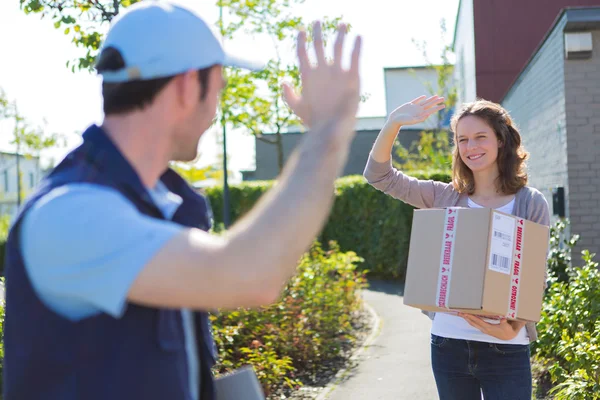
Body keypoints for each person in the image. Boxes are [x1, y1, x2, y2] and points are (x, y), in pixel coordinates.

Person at [2, 2, 362, 400]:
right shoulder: (71, 215)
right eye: (219, 89)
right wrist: (329, 129)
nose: (215, 110)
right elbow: (252, 274)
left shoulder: (153, 205)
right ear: (189, 86)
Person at [364, 96, 550, 400]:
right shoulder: (444, 196)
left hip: (506, 347)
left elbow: (534, 277)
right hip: (449, 345)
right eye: (462, 140)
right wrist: (393, 123)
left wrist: (512, 327)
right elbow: (378, 176)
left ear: (501, 140)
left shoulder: (529, 202)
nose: (471, 147)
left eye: (480, 137)